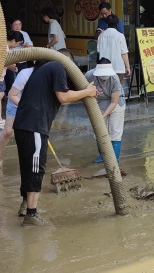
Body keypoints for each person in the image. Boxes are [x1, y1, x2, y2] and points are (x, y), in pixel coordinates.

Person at [12, 51, 97, 224]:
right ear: (68, 63)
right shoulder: (58, 66)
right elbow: (63, 96)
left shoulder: (41, 69)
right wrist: (87, 91)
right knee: (37, 168)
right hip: (34, 124)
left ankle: (24, 205)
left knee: (27, 166)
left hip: (23, 124)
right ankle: (31, 214)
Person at [0, 52, 36, 171]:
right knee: (8, 131)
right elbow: (11, 95)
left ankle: (33, 159)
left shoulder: (48, 74)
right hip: (16, 102)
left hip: (34, 106)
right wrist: (26, 107)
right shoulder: (25, 73)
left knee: (34, 133)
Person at [86, 57, 125, 166]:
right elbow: (82, 89)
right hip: (100, 102)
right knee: (99, 130)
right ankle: (103, 156)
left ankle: (114, 160)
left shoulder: (114, 79)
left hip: (116, 103)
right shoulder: (90, 75)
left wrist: (103, 115)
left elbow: (113, 102)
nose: (104, 77)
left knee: (114, 131)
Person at [97, 13, 130, 85]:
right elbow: (124, 53)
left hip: (104, 68)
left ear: (107, 24)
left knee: (105, 90)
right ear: (117, 24)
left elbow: (99, 51)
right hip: (118, 67)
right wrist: (127, 67)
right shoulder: (120, 36)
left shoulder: (101, 36)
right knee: (116, 90)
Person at [5, 20, 34, 94]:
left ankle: (22, 95)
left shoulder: (25, 34)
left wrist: (25, 45)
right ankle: (10, 96)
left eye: (19, 24)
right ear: (11, 25)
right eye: (15, 25)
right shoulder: (7, 34)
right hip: (9, 62)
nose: (18, 26)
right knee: (11, 81)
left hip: (22, 61)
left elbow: (32, 47)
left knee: (23, 80)